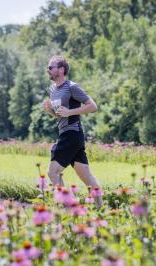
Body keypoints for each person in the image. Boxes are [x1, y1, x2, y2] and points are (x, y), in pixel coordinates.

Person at [42, 55, 103, 208]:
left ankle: (69, 209)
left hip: (72, 133)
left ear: (61, 70)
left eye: (51, 67)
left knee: (52, 172)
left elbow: (93, 106)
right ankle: (101, 209)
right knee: (86, 176)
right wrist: (50, 110)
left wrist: (70, 112)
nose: (48, 70)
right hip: (66, 134)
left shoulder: (71, 87)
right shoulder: (52, 90)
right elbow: (59, 114)